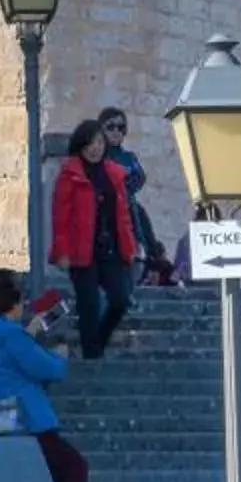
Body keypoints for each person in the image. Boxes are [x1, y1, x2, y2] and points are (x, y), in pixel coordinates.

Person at [0, 268, 90, 482]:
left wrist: (28, 334)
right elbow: (48, 368)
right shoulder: (11, 335)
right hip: (29, 422)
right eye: (22, 302)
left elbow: (7, 362)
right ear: (11, 304)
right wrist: (59, 356)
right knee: (73, 467)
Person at [49, 118, 137, 358]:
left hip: (111, 249)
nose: (96, 147)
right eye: (90, 142)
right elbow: (61, 217)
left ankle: (97, 342)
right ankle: (91, 355)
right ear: (81, 145)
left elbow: (123, 215)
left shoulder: (114, 175)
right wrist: (62, 251)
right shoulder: (70, 175)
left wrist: (130, 246)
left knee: (120, 300)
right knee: (89, 304)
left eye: (99, 142)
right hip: (81, 251)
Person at [98, 108, 172, 283]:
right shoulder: (97, 155)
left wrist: (122, 181)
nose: (116, 131)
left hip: (126, 203)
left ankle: (152, 257)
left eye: (120, 127)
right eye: (111, 127)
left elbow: (139, 176)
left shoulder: (128, 157)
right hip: (103, 206)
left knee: (139, 215)